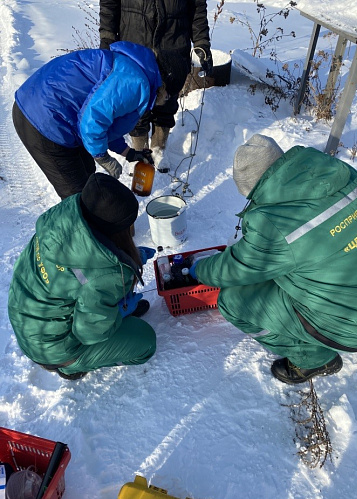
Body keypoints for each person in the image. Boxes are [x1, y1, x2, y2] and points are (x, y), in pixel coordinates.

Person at [189, 134, 357, 384]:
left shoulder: (274, 224)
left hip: (355, 327)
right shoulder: (342, 173)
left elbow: (235, 269)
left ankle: (313, 359)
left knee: (232, 301)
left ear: (252, 188)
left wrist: (199, 270)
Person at [8, 173, 157, 380]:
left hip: (27, 321)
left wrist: (129, 259)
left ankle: (108, 312)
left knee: (99, 297)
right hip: (54, 349)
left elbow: (78, 278)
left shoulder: (60, 224)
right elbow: (89, 333)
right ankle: (71, 367)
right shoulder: (103, 276)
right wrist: (118, 313)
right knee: (145, 341)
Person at [12, 41, 168, 199]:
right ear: (164, 85)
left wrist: (127, 152)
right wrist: (103, 157)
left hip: (47, 108)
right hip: (44, 120)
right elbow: (92, 122)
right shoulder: (135, 82)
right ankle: (82, 221)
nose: (166, 100)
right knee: (78, 195)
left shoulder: (133, 70)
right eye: (168, 96)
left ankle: (97, 218)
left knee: (88, 175)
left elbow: (106, 122)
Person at [99, 0, 213, 157]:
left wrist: (201, 42)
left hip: (173, 47)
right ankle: (139, 152)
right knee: (135, 105)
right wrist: (107, 40)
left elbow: (197, 8)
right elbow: (109, 6)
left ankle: (158, 150)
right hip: (134, 46)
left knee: (166, 102)